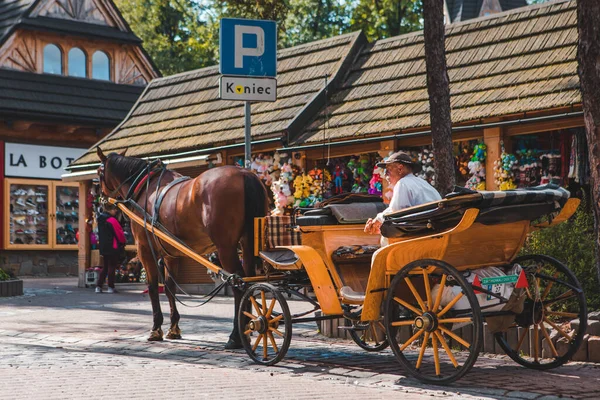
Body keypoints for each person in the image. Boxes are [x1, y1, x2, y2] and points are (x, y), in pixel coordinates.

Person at [364, 151, 442, 237]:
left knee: (385, 237)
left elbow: (396, 213)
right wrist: (378, 219)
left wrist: (378, 219)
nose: (385, 175)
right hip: (433, 229)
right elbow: (397, 210)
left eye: (388, 170)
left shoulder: (403, 183)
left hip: (421, 233)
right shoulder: (423, 183)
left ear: (400, 169)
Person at [95, 202, 126, 293]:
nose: (116, 211)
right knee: (111, 267)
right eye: (114, 209)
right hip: (113, 246)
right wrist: (123, 242)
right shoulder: (112, 220)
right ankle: (110, 287)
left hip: (104, 247)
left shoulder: (100, 219)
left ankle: (98, 286)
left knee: (104, 267)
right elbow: (119, 233)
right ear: (110, 210)